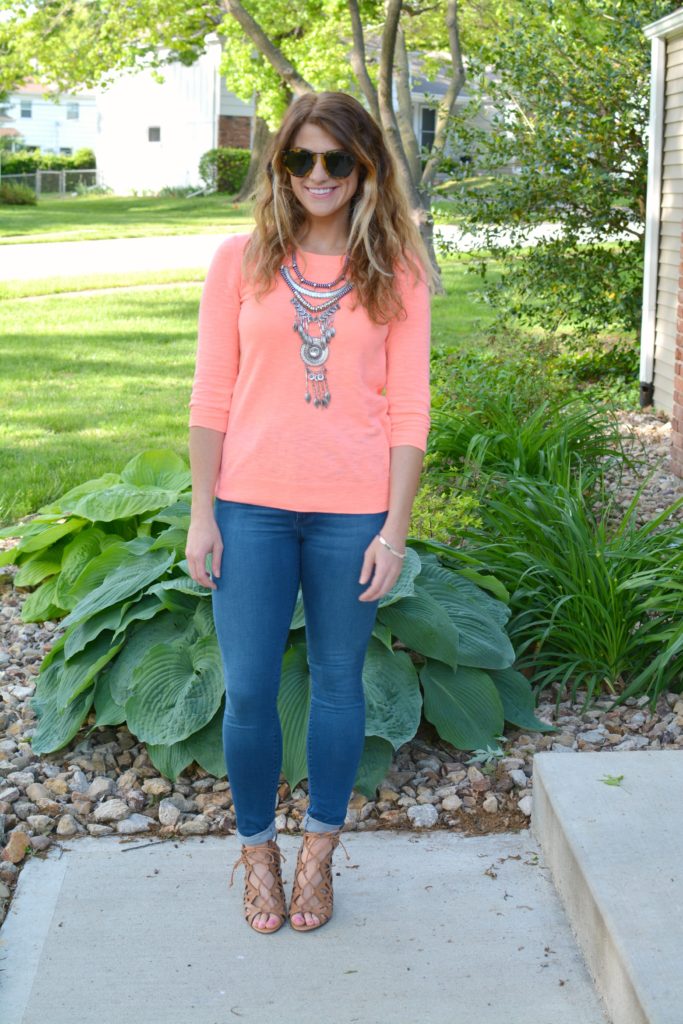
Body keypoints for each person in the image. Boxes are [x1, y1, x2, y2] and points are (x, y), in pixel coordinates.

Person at [185, 90, 433, 935]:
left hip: (351, 514)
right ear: (280, 166)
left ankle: (319, 853)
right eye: (301, 159)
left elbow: (409, 411)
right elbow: (211, 395)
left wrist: (393, 533)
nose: (318, 175)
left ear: (365, 166)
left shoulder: (396, 272)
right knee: (249, 691)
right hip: (247, 508)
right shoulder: (238, 263)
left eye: (336, 159)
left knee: (336, 687)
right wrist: (202, 515)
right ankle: (256, 854)